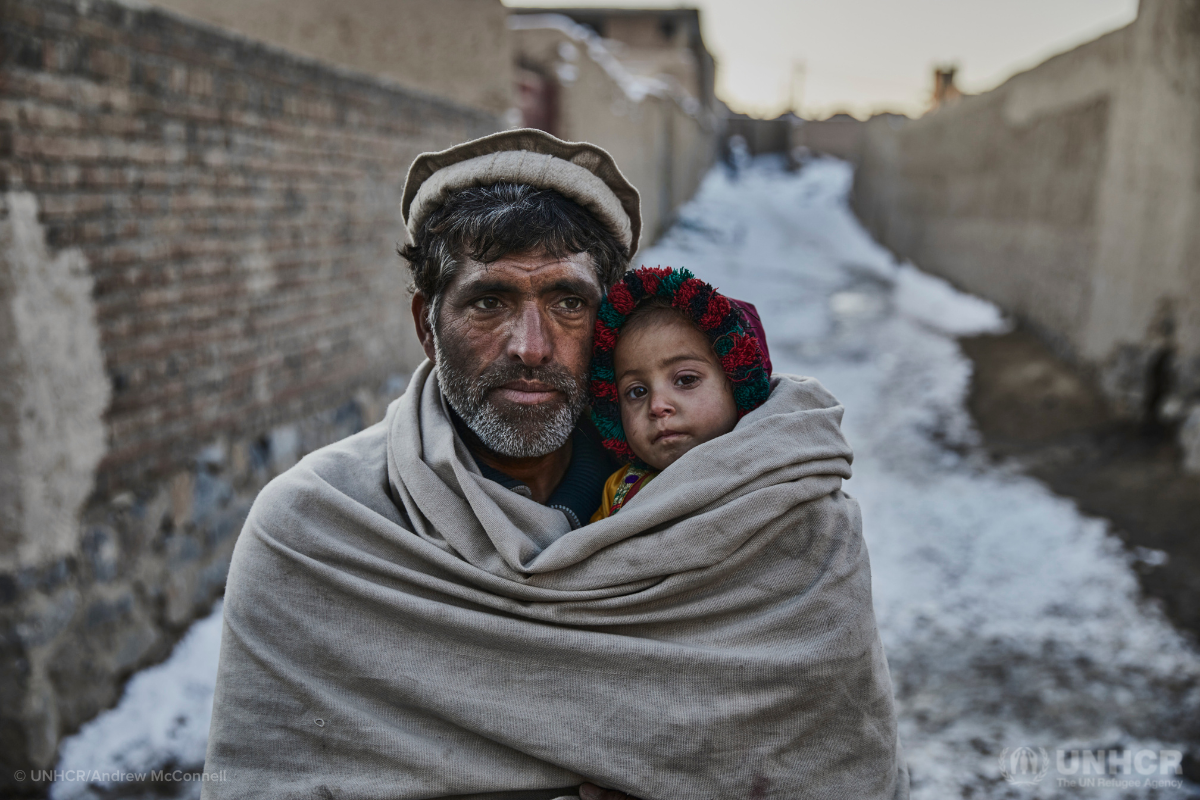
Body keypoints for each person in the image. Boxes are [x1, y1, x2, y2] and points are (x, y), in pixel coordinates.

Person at [201, 129, 907, 800]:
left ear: (607, 324)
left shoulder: (770, 519)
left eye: (568, 301)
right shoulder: (318, 536)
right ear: (427, 325)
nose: (531, 346)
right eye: (489, 300)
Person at [589, 267, 770, 521]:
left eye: (686, 380)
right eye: (637, 391)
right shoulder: (619, 493)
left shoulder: (774, 469)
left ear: (739, 384)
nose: (657, 406)